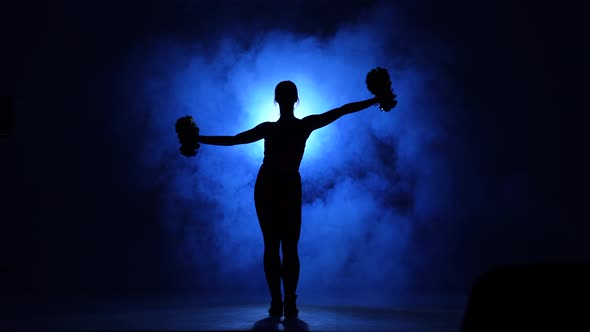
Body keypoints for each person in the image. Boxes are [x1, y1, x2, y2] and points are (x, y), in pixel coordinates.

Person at [197, 81, 379, 317]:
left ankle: (280, 301)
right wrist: (376, 99)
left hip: (272, 186)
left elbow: (234, 139)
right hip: (280, 186)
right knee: (285, 247)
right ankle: (286, 302)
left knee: (275, 246)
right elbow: (342, 110)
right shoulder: (301, 126)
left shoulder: (273, 129)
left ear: (279, 100)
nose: (285, 100)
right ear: (295, 99)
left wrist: (197, 137)